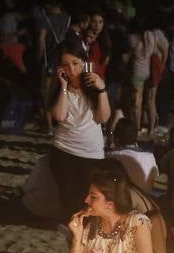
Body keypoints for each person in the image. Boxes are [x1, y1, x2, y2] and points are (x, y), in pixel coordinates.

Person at [47, 40, 111, 215]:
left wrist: (102, 90)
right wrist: (64, 87)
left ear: (84, 62)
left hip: (91, 153)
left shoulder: (94, 84)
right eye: (66, 66)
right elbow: (59, 116)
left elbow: (103, 118)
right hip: (63, 150)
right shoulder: (60, 87)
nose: (72, 70)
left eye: (75, 63)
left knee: (88, 200)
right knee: (68, 201)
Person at [106, 119, 158, 192]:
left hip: (122, 200)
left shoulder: (111, 156)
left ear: (116, 139)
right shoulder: (150, 156)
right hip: (144, 200)